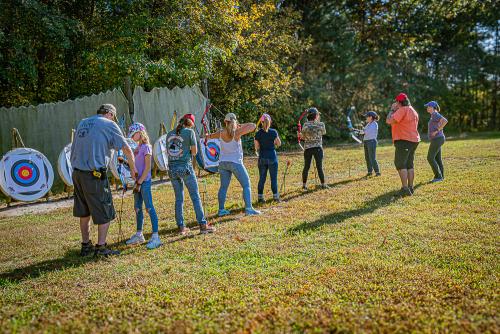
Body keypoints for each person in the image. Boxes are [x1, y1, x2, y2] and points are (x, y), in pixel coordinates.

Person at [71, 104, 136, 257]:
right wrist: (133, 169)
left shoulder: (83, 122)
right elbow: (126, 148)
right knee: (104, 211)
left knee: (84, 212)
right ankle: (101, 248)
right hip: (94, 175)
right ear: (110, 114)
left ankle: (86, 246)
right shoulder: (109, 124)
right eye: (113, 116)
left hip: (77, 174)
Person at [166, 114, 215, 235]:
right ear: (191, 123)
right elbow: (194, 152)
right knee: (195, 196)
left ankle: (181, 227)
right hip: (185, 167)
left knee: (179, 199)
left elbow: (170, 152)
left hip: (172, 169)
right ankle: (203, 225)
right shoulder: (189, 132)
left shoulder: (169, 134)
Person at [205, 113, 261, 216]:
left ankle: (221, 210)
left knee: (223, 187)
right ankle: (248, 209)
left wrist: (207, 136)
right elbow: (253, 126)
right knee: (246, 184)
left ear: (225, 122)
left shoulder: (221, 133)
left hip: (223, 163)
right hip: (235, 163)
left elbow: (208, 137)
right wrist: (239, 124)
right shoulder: (237, 132)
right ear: (234, 122)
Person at [125, 122, 162, 249]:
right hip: (137, 182)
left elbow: (147, 168)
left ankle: (156, 236)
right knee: (137, 208)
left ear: (140, 133)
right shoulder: (136, 148)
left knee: (149, 207)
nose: (131, 137)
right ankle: (139, 234)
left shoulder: (146, 147)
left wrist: (140, 182)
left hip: (144, 182)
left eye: (133, 134)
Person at [386, 93, 421, 196]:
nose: (395, 103)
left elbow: (389, 120)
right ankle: (410, 187)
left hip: (404, 140)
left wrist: (392, 110)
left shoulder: (402, 110)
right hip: (414, 140)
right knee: (409, 164)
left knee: (400, 164)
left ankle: (405, 189)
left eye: (396, 102)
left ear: (398, 102)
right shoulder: (412, 109)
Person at [298, 107, 328, 190]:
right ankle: (323, 184)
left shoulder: (305, 125)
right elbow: (324, 132)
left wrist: (300, 135)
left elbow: (303, 137)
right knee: (319, 167)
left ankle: (304, 185)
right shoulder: (321, 124)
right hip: (318, 148)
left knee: (306, 167)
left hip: (308, 149)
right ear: (316, 115)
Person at [254, 113, 282, 203]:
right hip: (272, 157)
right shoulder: (273, 132)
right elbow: (279, 144)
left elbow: (257, 147)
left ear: (261, 122)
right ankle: (275, 197)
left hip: (262, 157)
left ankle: (260, 198)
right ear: (270, 121)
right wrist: (272, 143)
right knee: (273, 178)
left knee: (262, 178)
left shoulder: (258, 133)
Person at [425, 101, 448, 182]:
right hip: (438, 139)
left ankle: (438, 177)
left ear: (432, 107)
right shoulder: (433, 115)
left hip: (437, 139)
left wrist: (437, 130)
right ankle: (441, 176)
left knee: (430, 158)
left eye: (428, 106)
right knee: (437, 159)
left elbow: (445, 121)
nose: (427, 108)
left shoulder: (435, 114)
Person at [362, 111, 381, 177]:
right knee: (367, 157)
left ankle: (377, 172)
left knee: (372, 158)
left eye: (367, 116)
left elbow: (366, 132)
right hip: (366, 142)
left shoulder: (374, 124)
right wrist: (357, 131)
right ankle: (369, 171)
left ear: (370, 117)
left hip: (371, 142)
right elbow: (364, 131)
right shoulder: (368, 124)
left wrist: (362, 132)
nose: (366, 118)